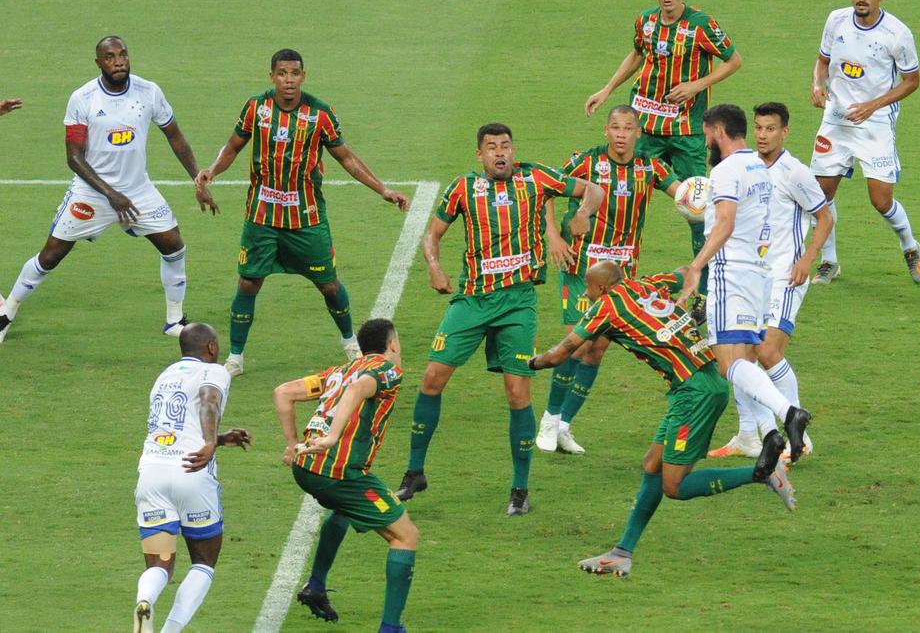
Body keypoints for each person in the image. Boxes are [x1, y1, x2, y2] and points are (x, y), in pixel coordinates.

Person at [529, 261, 795, 576]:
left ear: (601, 287)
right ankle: (622, 552)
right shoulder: (648, 283)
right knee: (652, 464)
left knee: (674, 486)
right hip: (695, 383)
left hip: (695, 393)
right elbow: (687, 271)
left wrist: (530, 362)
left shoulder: (606, 307)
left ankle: (762, 472)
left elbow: (563, 353)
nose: (584, 294)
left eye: (587, 288)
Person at [396, 123, 603, 515]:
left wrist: (584, 215)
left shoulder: (535, 177)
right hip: (471, 300)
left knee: (517, 394)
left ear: (513, 149)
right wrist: (434, 267)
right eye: (492, 147)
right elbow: (432, 235)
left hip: (517, 303)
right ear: (480, 155)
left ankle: (520, 490)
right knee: (431, 379)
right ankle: (414, 471)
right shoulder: (462, 188)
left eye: (505, 146)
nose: (500, 153)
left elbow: (593, 189)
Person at [194, 49, 410, 377]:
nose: (289, 80)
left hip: (305, 218)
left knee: (329, 285)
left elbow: (347, 158)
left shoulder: (319, 114)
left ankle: (351, 342)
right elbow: (234, 145)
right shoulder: (256, 107)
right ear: (272, 77)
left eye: (295, 73)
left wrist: (383, 189)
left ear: (303, 76)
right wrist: (212, 170)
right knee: (249, 282)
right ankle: (236, 358)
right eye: (282, 73)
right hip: (262, 216)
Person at [0, 36, 215, 345]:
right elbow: (74, 157)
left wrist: (197, 177)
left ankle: (174, 321)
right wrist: (110, 194)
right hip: (91, 194)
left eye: (123, 54)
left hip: (138, 192)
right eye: (111, 56)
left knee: (174, 245)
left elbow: (175, 136)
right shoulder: (83, 98)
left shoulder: (149, 92)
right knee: (50, 256)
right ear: (99, 62)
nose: (119, 61)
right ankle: (6, 314)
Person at [584, 0, 743, 314]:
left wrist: (697, 85)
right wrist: (608, 89)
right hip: (646, 129)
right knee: (621, 199)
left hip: (686, 132)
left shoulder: (702, 25)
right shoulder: (645, 22)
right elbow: (638, 54)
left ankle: (703, 290)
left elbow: (734, 61)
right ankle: (609, 279)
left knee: (698, 209)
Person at [537, 104, 680, 455]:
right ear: (606, 131)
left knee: (598, 348)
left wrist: (704, 200)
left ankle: (565, 426)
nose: (620, 134)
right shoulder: (586, 162)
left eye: (628, 128)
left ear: (637, 133)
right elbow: (546, 190)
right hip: (582, 267)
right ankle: (549, 420)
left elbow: (682, 194)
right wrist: (553, 237)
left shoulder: (650, 166)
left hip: (621, 274)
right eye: (615, 127)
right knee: (579, 342)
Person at [677, 104, 811, 460]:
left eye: (706, 134)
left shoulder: (725, 170)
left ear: (718, 131)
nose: (706, 141)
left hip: (730, 272)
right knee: (748, 361)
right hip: (759, 273)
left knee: (728, 364)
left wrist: (696, 266)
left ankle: (789, 414)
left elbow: (725, 223)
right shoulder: (758, 165)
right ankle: (767, 436)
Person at [274, 318, 416, 633]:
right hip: (339, 473)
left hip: (306, 467)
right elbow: (358, 389)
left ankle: (316, 586)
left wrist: (291, 445)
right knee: (405, 536)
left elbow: (283, 392)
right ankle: (391, 628)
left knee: (343, 510)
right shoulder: (386, 371)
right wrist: (333, 437)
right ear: (392, 344)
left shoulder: (338, 371)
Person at [709, 103, 833, 459]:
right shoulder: (746, 167)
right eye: (760, 128)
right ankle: (749, 434)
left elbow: (825, 218)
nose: (764, 135)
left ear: (785, 132)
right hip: (753, 276)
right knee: (742, 355)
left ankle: (800, 436)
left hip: (786, 275)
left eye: (771, 129)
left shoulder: (794, 172)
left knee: (767, 352)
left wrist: (808, 260)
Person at [808, 0, 920, 285]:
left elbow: (912, 81)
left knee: (881, 201)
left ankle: (910, 247)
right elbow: (822, 61)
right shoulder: (836, 20)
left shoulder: (897, 34)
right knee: (820, 194)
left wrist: (873, 106)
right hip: (836, 119)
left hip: (875, 123)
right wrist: (817, 85)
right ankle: (829, 262)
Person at [133, 322, 250, 633]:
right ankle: (170, 630)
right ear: (211, 347)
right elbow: (209, 399)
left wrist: (221, 439)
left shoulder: (164, 377)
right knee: (203, 561)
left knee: (160, 563)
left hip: (152, 476)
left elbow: (177, 426)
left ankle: (145, 599)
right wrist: (212, 442)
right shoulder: (215, 371)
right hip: (191, 475)